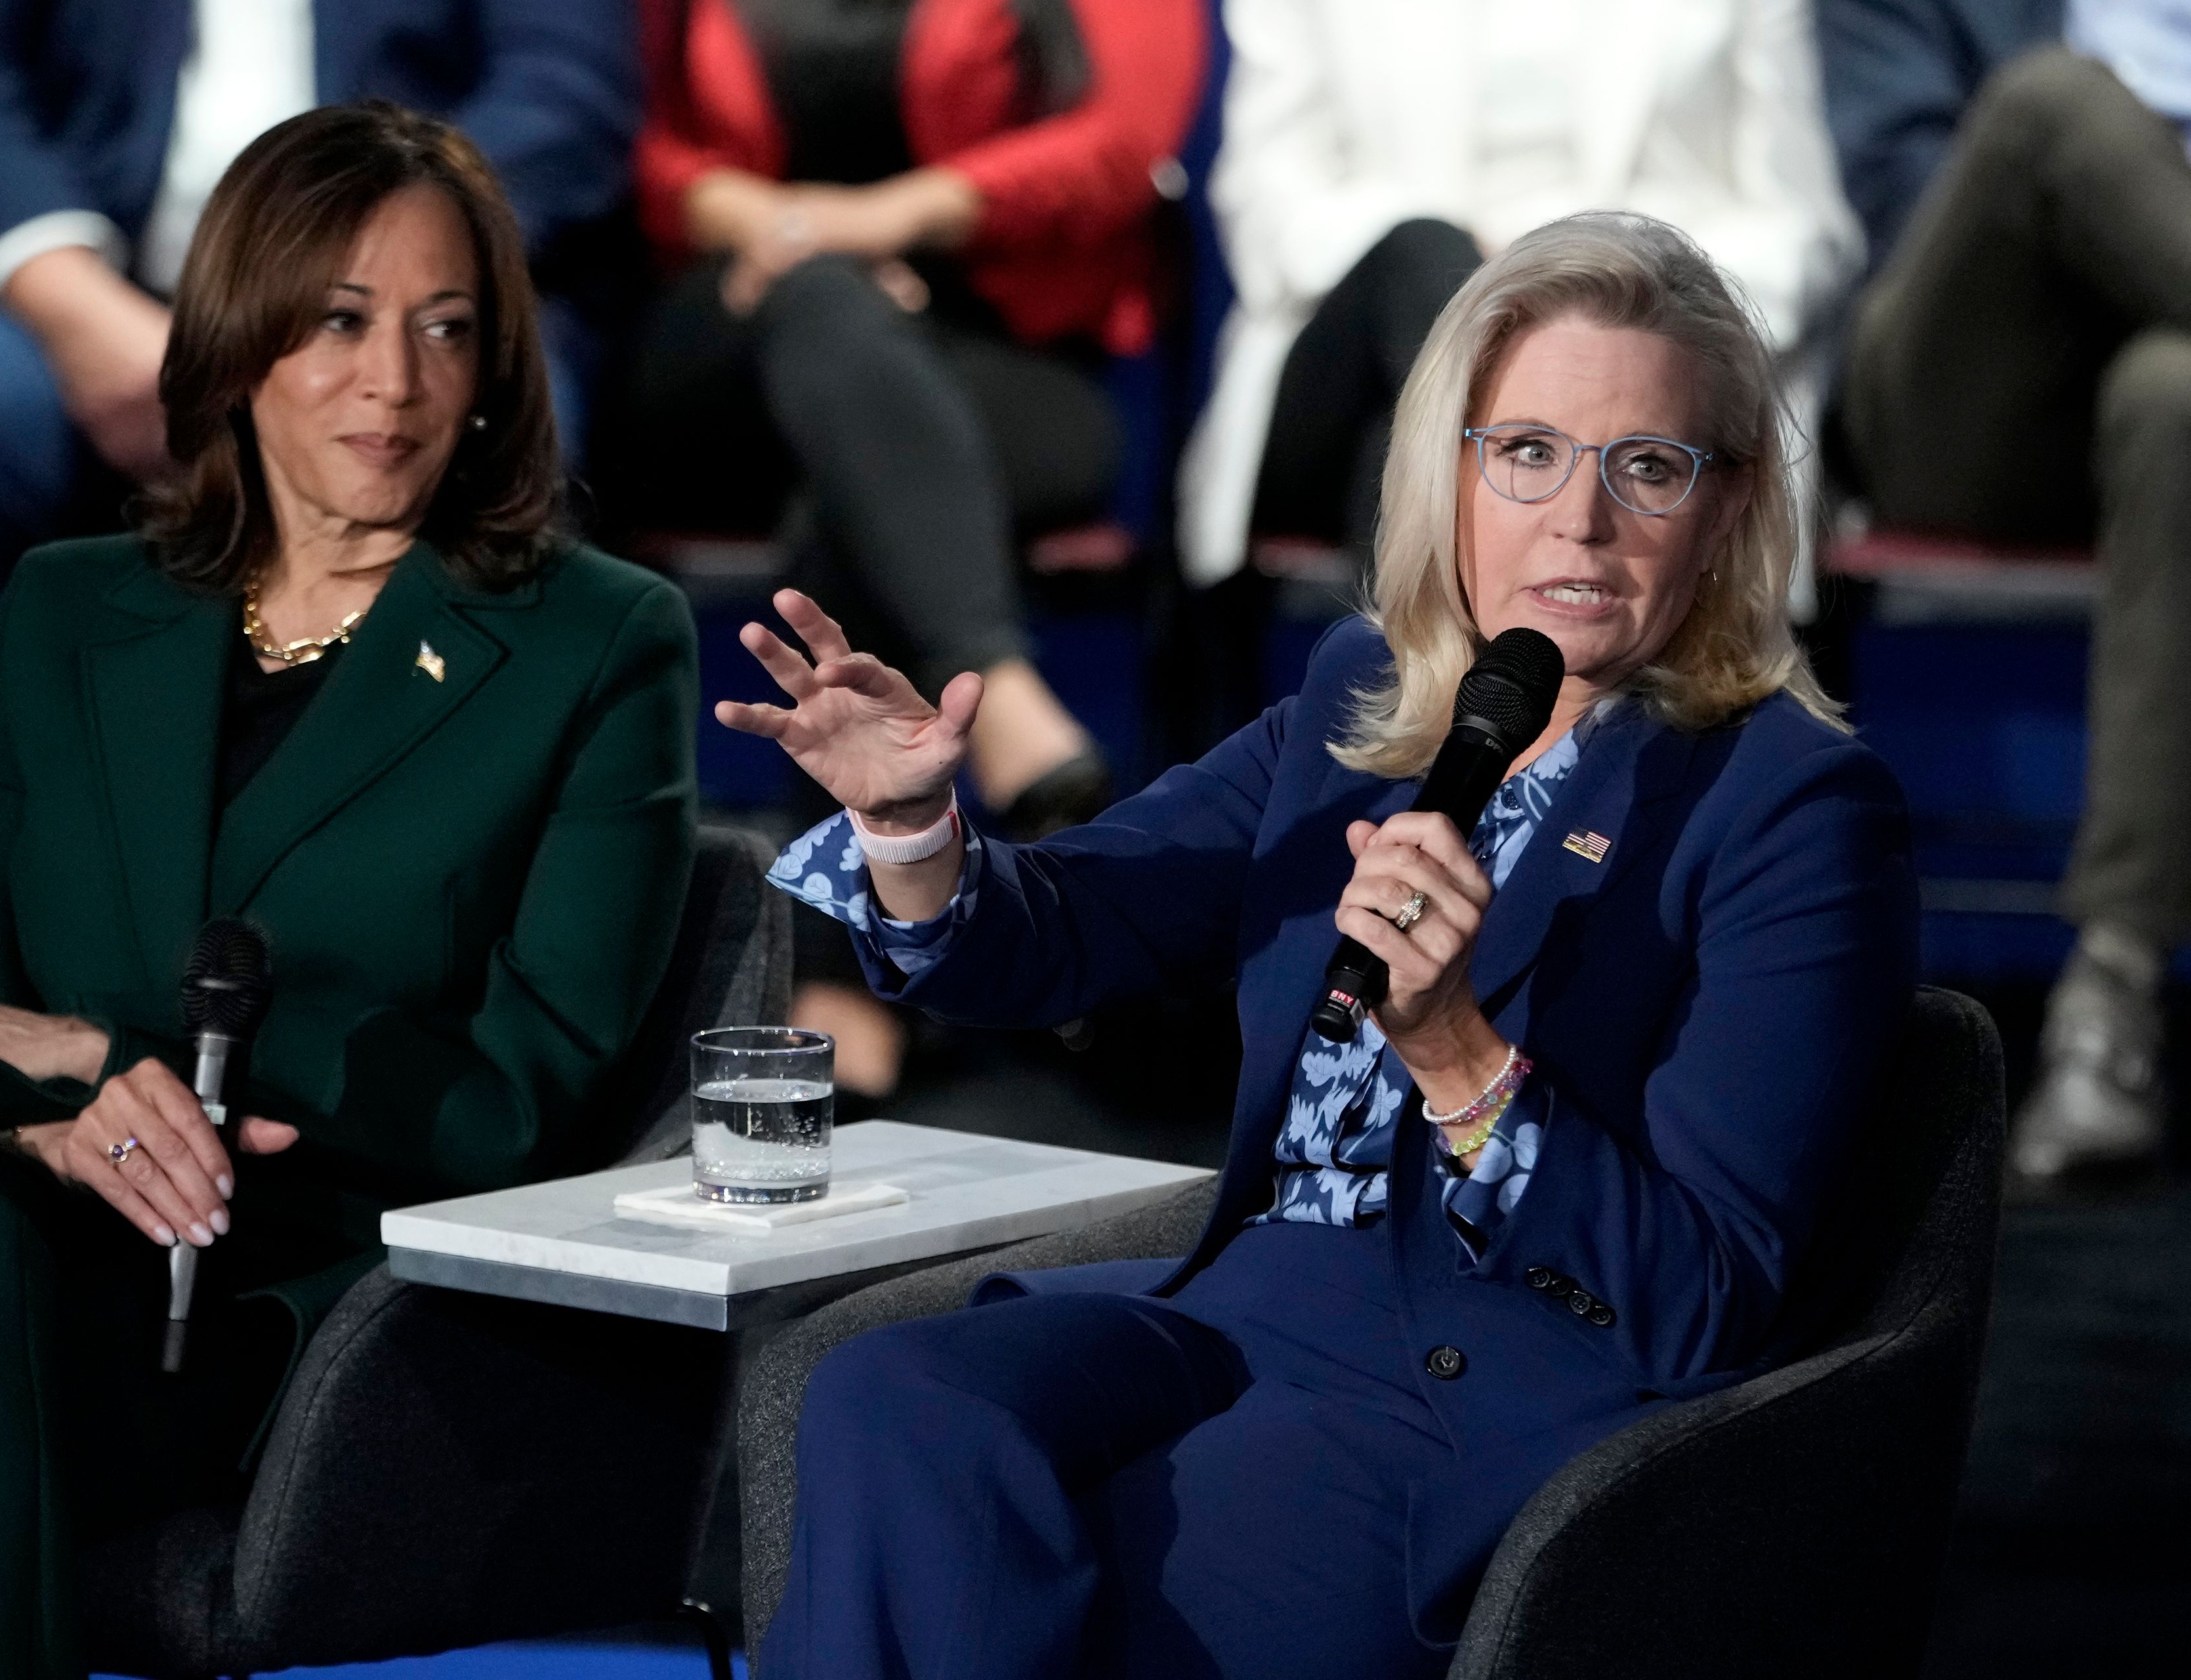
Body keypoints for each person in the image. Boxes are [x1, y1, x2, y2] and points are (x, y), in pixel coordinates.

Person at [723, 213, 1917, 1675]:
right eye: (1528, 452)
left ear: (1727, 508)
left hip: (1473, 1375)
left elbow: (1708, 1296)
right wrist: (915, 828)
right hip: (1245, 1299)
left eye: (1648, 467)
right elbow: (1076, 918)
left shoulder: (1790, 806)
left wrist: (1463, 1057)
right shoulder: (1371, 702)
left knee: (1126, 1590)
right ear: (1456, 475)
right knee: (892, 1400)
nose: (1580, 523)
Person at [0, 102, 697, 1677]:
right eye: (341, 322)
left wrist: (104, 1059)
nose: (397, 382)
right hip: (9, 1227)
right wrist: (49, 1127)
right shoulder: (70, 609)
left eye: (448, 329)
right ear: (236, 338)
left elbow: (525, 1093)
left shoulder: (594, 642)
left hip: (280, 1298)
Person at [0, 0, 642, 914]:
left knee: (501, 431)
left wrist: (332, 306)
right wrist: (68, 300)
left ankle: (436, 939)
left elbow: (563, 94)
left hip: (409, 280)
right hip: (93, 289)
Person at [625, 0, 1201, 1094]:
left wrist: (885, 219)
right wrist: (786, 230)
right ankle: (1007, 701)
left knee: (857, 478)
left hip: (999, 357)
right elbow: (635, 139)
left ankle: (831, 974)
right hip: (737, 339)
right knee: (831, 329)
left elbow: (1122, 142)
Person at [1822, 0, 2188, 1189]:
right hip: (1963, 387)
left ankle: (2111, 1014)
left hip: (2161, 373)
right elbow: (1885, 193)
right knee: (2048, 100)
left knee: (2178, 397)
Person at [1181, 0, 1860, 605]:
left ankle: (1457, 722)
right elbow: (1268, 212)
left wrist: (1617, 280)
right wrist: (1499, 285)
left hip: (1633, 348)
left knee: (1401, 465)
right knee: (1426, 265)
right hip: (1349, 353)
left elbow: (1801, 230)